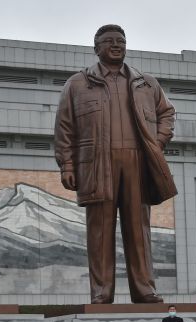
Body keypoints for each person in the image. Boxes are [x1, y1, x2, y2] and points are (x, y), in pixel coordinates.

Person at [54, 24, 176, 304]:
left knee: (139, 229)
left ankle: (145, 289)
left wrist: (157, 142)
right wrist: (68, 165)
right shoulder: (77, 84)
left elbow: (167, 112)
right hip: (97, 164)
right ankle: (101, 292)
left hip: (137, 162)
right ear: (96, 48)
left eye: (121, 40)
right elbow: (64, 128)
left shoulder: (146, 83)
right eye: (109, 41)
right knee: (100, 231)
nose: (116, 44)